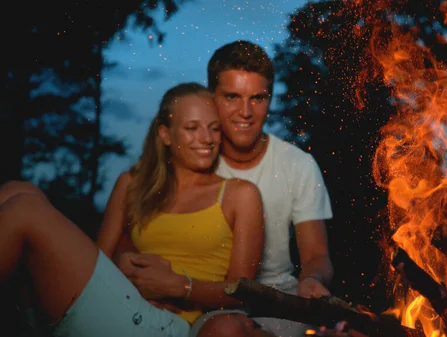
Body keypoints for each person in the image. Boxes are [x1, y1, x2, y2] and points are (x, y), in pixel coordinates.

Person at [0, 82, 266, 337]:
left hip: (173, 321)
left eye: (214, 128)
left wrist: (178, 286)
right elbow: (99, 259)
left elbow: (244, 294)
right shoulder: (133, 184)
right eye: (192, 128)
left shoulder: (239, 194)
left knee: (25, 208)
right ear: (165, 134)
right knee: (17, 191)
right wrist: (128, 273)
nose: (207, 139)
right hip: (122, 300)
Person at [207, 40, 335, 336]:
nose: (245, 111)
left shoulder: (298, 164)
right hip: (215, 301)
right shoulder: (196, 162)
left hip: (282, 299)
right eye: (232, 97)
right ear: (211, 97)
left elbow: (316, 254)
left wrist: (312, 279)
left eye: (258, 98)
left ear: (270, 99)